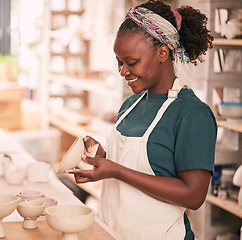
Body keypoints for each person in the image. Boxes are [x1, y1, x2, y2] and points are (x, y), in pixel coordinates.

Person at [67, 0, 217, 239]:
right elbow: (133, 166)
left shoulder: (192, 114)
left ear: (162, 53)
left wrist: (116, 170)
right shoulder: (129, 105)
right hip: (115, 233)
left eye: (131, 62)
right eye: (119, 61)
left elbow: (194, 195)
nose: (123, 71)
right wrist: (101, 159)